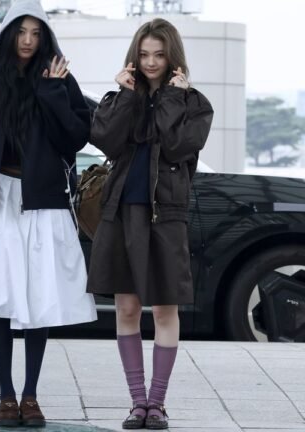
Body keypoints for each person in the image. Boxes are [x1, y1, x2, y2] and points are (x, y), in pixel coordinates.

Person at [0, 0, 97, 427]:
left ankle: (31, 395)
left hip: (44, 203)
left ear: (45, 37)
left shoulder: (59, 81)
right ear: (8, 33)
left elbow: (77, 139)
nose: (28, 41)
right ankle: (6, 396)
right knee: (0, 300)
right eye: (21, 32)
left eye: (36, 33)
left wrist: (51, 92)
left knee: (39, 301)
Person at [85, 18, 213, 430]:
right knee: (125, 307)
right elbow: (104, 139)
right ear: (134, 56)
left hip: (166, 215)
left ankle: (157, 403)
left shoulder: (194, 104)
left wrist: (172, 98)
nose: (151, 62)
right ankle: (136, 402)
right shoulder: (120, 97)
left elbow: (177, 146)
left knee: (163, 309)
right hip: (121, 211)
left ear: (172, 57)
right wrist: (126, 96)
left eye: (159, 55)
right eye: (144, 54)